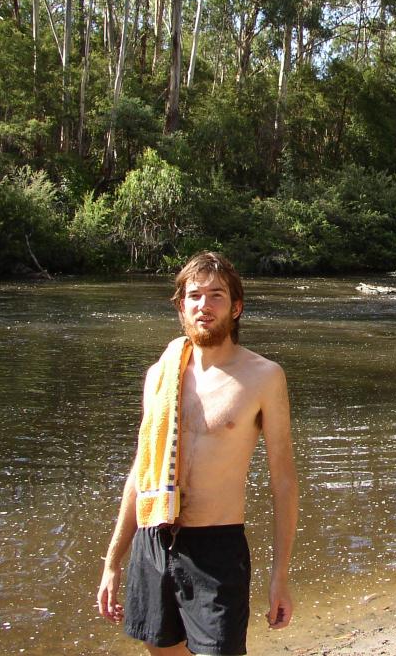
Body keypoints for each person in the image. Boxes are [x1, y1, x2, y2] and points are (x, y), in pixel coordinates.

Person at [97, 251, 298, 655]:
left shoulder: (263, 377)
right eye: (194, 295)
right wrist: (112, 561)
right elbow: (141, 472)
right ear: (181, 306)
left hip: (216, 547)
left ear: (236, 307)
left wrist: (280, 577)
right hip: (153, 540)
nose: (204, 305)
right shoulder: (161, 374)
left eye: (216, 295)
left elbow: (284, 481)